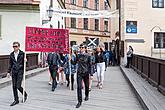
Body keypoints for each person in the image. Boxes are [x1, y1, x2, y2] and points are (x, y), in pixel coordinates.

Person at [7, 42, 28, 106]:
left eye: (16, 46)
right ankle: (16, 100)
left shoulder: (22, 54)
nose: (14, 48)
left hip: (20, 71)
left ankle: (25, 94)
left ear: (19, 47)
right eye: (13, 46)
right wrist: (8, 72)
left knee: (18, 86)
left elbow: (26, 64)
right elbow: (10, 64)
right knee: (14, 86)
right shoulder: (11, 54)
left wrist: (26, 61)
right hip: (14, 72)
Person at [71, 44, 91, 108]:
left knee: (87, 86)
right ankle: (79, 101)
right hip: (79, 73)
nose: (81, 48)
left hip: (86, 72)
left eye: (82, 47)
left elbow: (90, 65)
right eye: (80, 47)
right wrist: (70, 59)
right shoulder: (78, 55)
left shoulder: (88, 56)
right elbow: (74, 63)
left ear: (85, 48)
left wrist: (91, 74)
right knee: (79, 87)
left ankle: (87, 95)